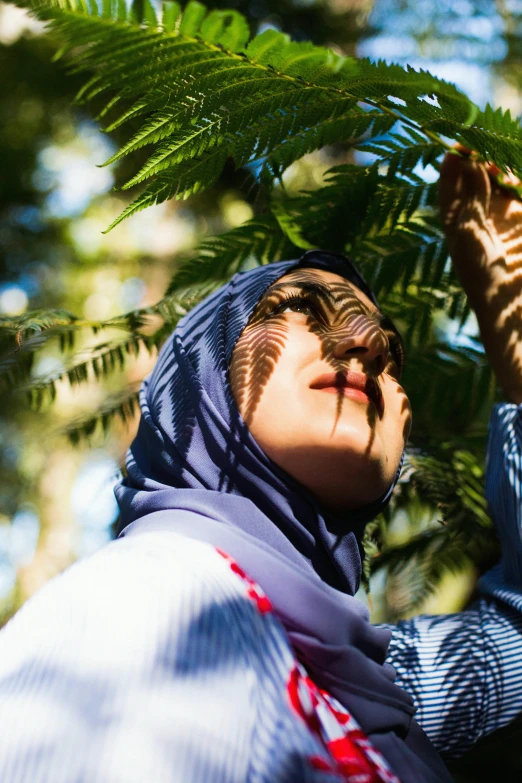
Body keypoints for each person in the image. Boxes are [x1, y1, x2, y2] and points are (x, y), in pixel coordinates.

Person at [0, 153, 520, 782]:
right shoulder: (149, 604)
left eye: (390, 354)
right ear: (201, 381)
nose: (367, 343)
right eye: (297, 308)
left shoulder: (368, 686)